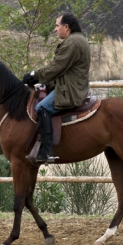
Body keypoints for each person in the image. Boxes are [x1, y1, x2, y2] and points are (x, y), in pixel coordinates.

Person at [22, 13, 91, 164]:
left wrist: (34, 75)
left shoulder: (72, 43)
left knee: (42, 107)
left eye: (57, 25)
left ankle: (47, 151)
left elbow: (56, 67)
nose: (55, 29)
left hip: (70, 90)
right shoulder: (78, 40)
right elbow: (61, 70)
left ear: (66, 27)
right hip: (72, 85)